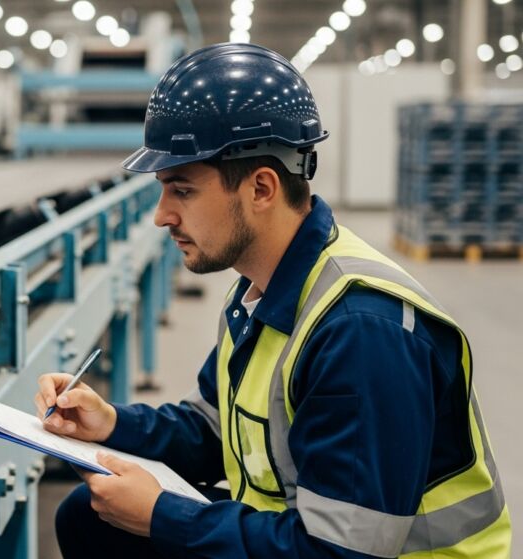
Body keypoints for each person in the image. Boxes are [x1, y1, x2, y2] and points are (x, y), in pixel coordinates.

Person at [35, 43, 510, 558]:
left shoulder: (359, 330)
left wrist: (163, 516)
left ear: (261, 188)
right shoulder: (263, 289)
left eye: (182, 190)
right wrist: (112, 424)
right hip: (302, 533)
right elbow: (217, 428)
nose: (162, 215)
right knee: (91, 516)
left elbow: (340, 552)